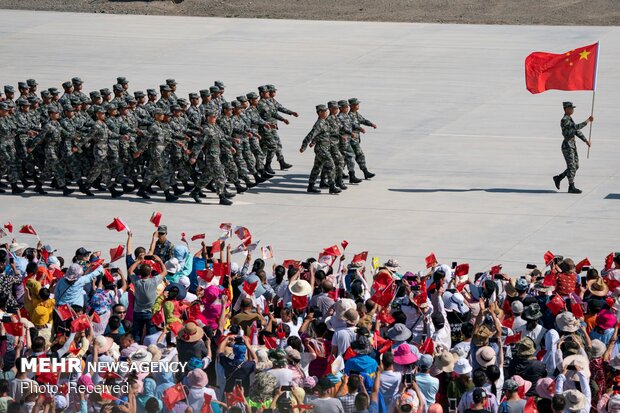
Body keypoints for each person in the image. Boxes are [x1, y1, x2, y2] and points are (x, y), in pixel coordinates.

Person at [553, 102, 593, 194]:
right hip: (567, 146)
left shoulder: (570, 118)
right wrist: (587, 121)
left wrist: (586, 141)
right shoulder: (564, 120)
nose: (573, 110)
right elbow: (575, 127)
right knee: (571, 167)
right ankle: (571, 186)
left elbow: (576, 131)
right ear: (566, 109)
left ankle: (559, 177)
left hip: (572, 145)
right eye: (571, 108)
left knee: (576, 166)